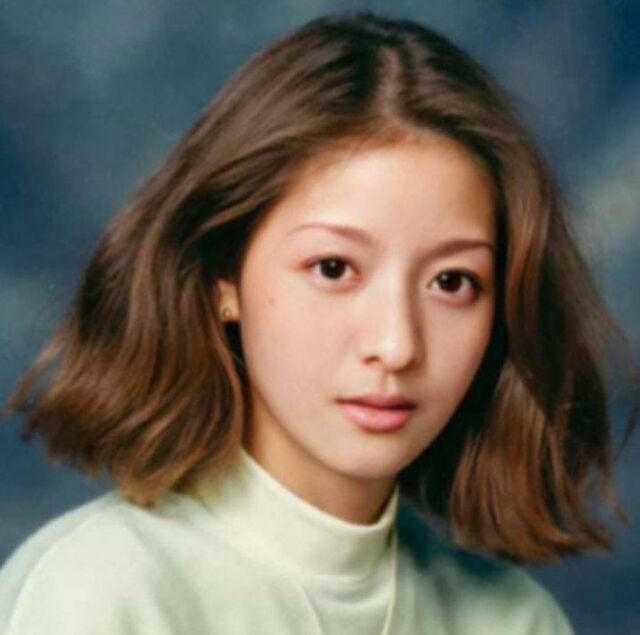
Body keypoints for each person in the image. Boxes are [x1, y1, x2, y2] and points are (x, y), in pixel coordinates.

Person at [0, 10, 637, 635]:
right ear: (223, 279)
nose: (396, 345)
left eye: (451, 282)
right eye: (333, 268)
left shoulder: (515, 620)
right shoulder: (97, 593)